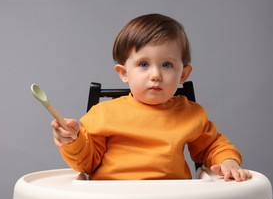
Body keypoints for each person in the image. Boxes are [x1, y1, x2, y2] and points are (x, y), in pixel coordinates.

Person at [51, 13, 251, 181]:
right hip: (113, 198)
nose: (155, 75)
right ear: (124, 73)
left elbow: (213, 146)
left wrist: (228, 161)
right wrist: (73, 141)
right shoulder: (103, 114)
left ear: (183, 74)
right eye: (144, 64)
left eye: (167, 65)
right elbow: (86, 163)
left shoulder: (191, 114)